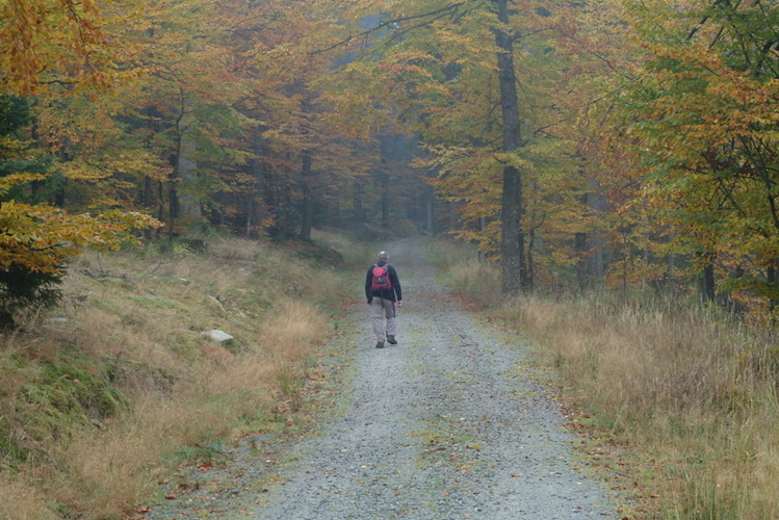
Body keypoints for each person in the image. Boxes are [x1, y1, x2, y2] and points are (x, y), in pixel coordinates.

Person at [365, 250, 402, 349]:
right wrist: (399, 298)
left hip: (375, 297)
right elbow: (396, 284)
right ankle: (391, 335)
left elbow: (367, 285)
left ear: (378, 258)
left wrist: (369, 298)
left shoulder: (372, 268)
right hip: (388, 297)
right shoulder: (390, 268)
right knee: (391, 316)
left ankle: (380, 340)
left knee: (376, 318)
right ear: (387, 259)